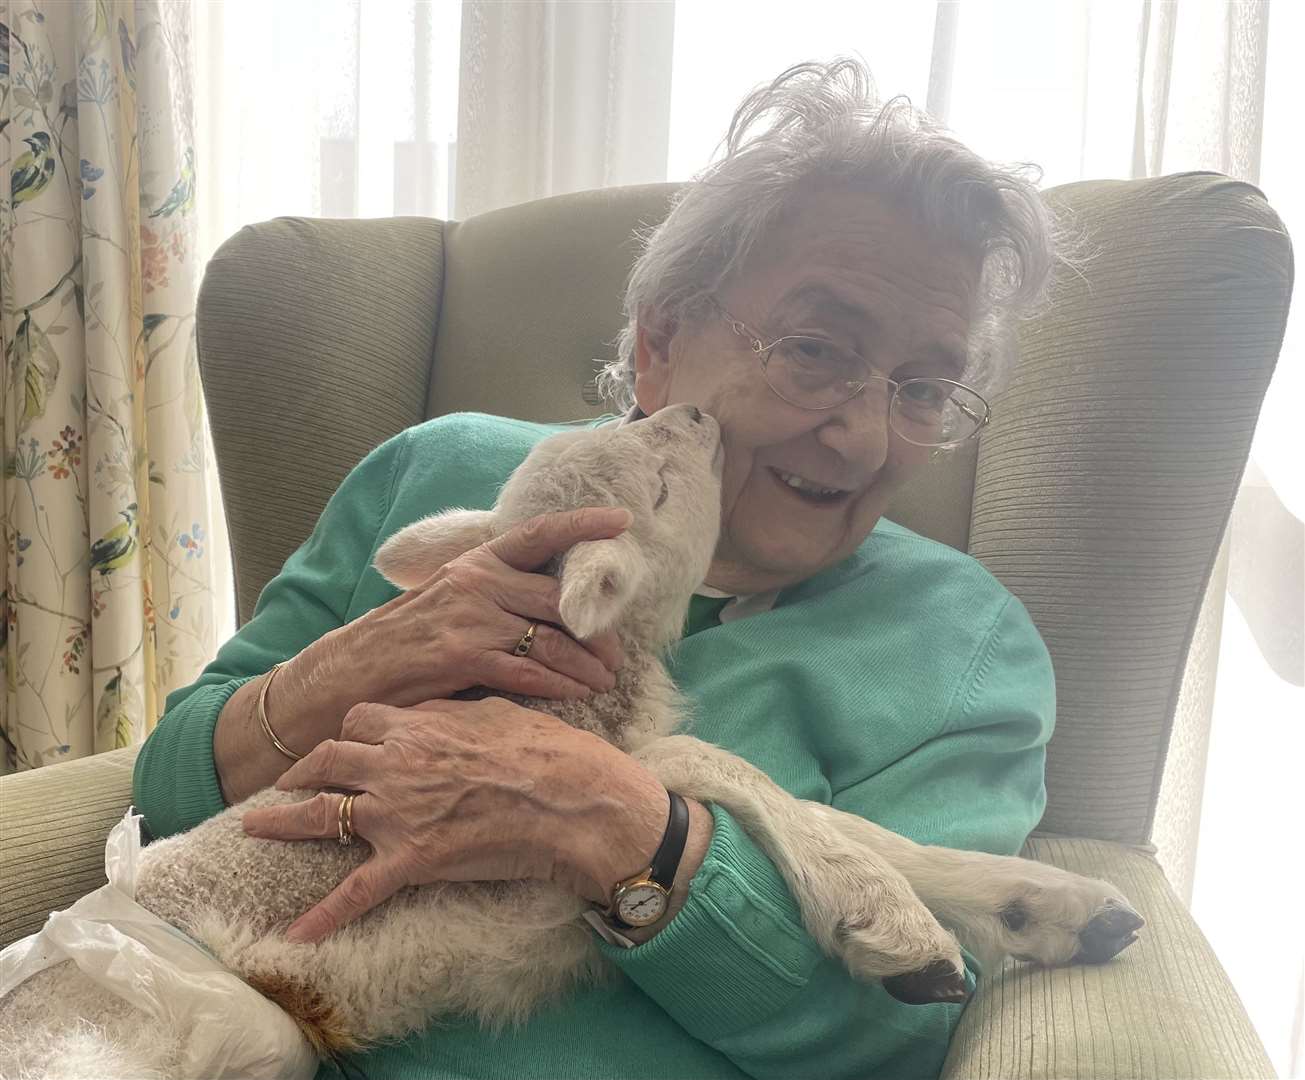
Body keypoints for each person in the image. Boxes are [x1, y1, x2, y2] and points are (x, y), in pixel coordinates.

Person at [134, 58, 1058, 1080]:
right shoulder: (437, 473)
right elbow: (168, 787)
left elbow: (900, 1035)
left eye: (924, 389)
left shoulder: (960, 642)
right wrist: (350, 666)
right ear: (659, 342)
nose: (861, 436)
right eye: (815, 348)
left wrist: (628, 836)